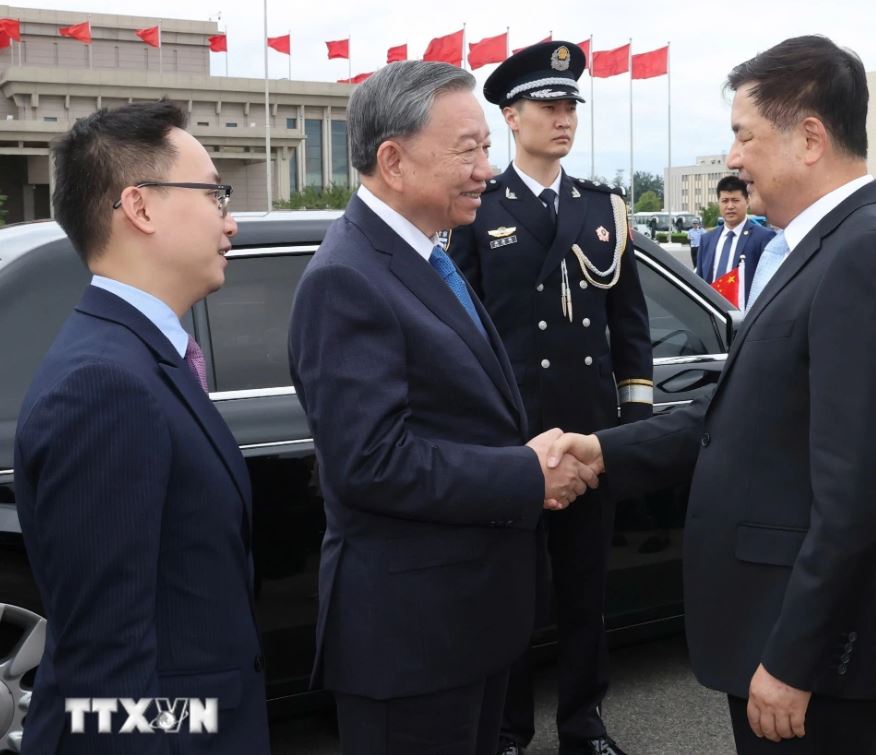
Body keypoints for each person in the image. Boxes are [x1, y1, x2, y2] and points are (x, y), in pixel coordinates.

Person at [549, 35, 876, 754]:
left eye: (743, 134)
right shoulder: (821, 246)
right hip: (779, 639)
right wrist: (602, 451)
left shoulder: (867, 256)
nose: (732, 157)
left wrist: (796, 657)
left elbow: (859, 491)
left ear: (810, 138)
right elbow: (739, 414)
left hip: (813, 664)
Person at [287, 60, 599, 755]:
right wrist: (525, 474)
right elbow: (369, 462)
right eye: (468, 149)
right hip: (410, 643)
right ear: (392, 160)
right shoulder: (348, 277)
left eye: (487, 148)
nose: (486, 169)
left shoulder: (426, 255)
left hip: (463, 627)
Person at [14, 101, 270, 753]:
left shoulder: (138, 357)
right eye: (214, 192)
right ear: (141, 207)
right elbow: (112, 677)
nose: (230, 219)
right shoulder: (105, 384)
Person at [449, 41, 653, 755]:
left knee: (583, 596)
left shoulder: (603, 208)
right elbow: (460, 331)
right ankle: (506, 730)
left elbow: (630, 330)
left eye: (570, 105)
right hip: (510, 441)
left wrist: (629, 429)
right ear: (511, 115)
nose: (563, 117)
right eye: (547, 105)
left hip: (589, 437)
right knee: (508, 595)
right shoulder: (478, 210)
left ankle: (583, 724)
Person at [696, 175, 775, 288]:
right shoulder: (707, 239)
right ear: (719, 203)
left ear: (747, 201)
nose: (730, 206)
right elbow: (700, 281)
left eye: (735, 200)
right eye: (725, 201)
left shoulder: (763, 237)